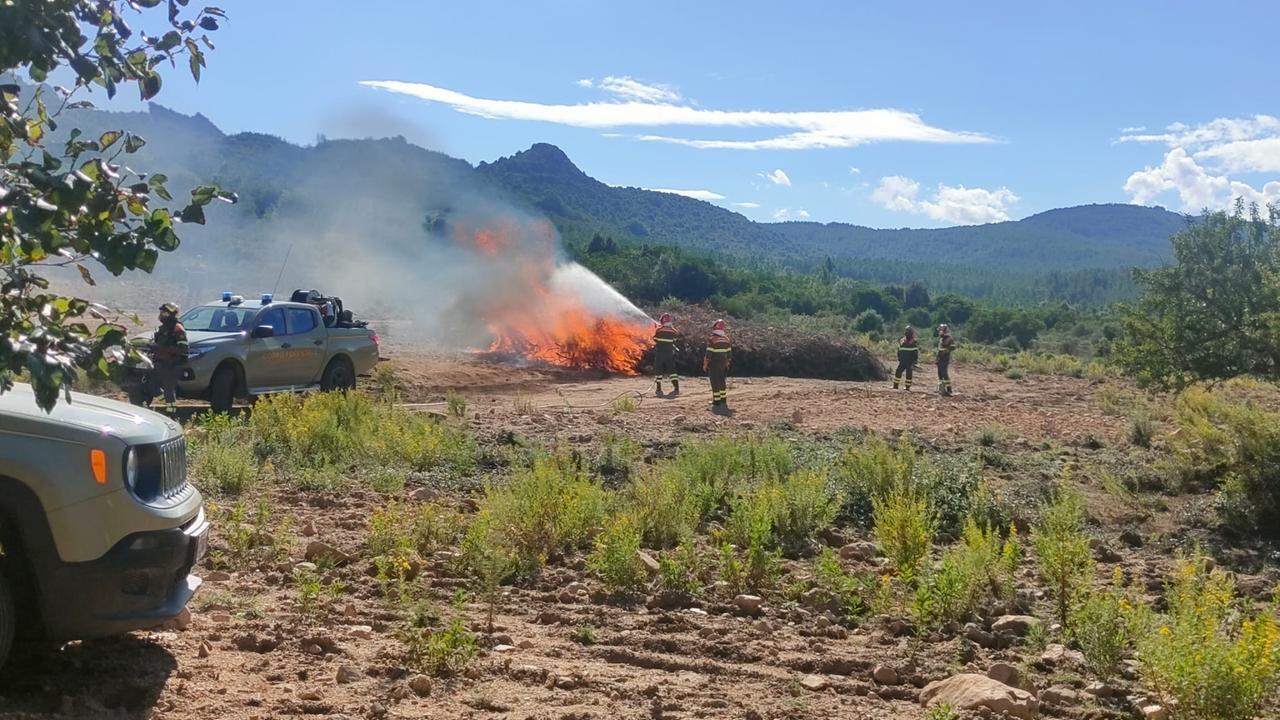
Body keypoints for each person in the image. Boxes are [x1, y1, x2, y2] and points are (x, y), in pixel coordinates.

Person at [151, 302, 188, 413]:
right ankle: (167, 406)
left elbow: (183, 349)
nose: (161, 314)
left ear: (170, 314)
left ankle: (171, 412)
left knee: (168, 389)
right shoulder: (164, 328)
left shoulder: (177, 328)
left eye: (164, 312)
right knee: (151, 384)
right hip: (161, 363)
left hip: (172, 364)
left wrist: (160, 348)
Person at [703, 319, 732, 413]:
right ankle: (723, 401)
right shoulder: (726, 339)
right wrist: (727, 363)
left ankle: (716, 402)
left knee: (715, 383)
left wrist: (705, 365)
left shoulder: (712, 339)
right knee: (722, 382)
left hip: (714, 365)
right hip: (723, 364)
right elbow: (729, 354)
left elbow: (708, 355)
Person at [653, 313, 680, 396]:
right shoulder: (674, 331)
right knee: (672, 370)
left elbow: (655, 339)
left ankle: (658, 388)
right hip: (669, 354)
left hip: (660, 353)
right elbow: (675, 340)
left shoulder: (659, 330)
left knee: (658, 370)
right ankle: (676, 388)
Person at [892, 325, 919, 391]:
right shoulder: (902, 341)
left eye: (908, 331)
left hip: (910, 361)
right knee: (898, 372)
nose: (907, 332)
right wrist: (899, 357)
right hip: (902, 360)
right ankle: (895, 386)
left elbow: (915, 353)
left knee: (909, 374)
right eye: (906, 331)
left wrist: (914, 362)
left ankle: (907, 387)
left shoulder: (913, 342)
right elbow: (899, 350)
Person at [936, 323, 955, 396]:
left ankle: (949, 389)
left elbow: (953, 347)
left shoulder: (949, 338)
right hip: (939, 357)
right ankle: (941, 389)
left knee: (944, 373)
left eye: (941, 330)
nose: (939, 331)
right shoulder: (942, 338)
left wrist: (947, 350)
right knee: (940, 373)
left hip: (945, 358)